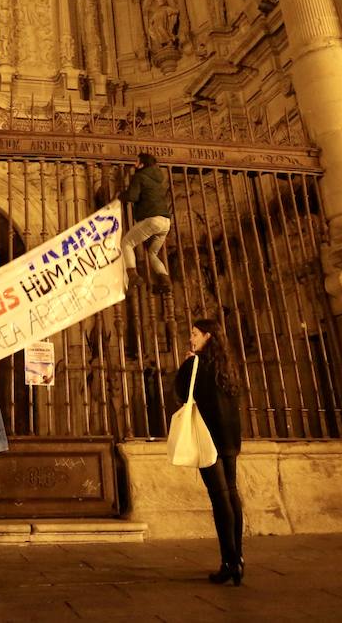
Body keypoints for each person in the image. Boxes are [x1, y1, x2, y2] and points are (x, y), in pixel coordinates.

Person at [176, 317, 245, 585]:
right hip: (230, 437)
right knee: (232, 493)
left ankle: (228, 563)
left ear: (207, 337)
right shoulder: (228, 366)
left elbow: (181, 394)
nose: (191, 338)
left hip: (208, 438)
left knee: (219, 497)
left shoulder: (195, 364)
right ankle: (238, 558)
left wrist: (186, 364)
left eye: (195, 334)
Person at [118, 152, 172, 292]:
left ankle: (133, 275)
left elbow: (132, 196)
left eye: (136, 162)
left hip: (152, 219)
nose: (134, 164)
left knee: (126, 243)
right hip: (165, 222)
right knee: (152, 253)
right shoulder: (157, 180)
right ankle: (165, 280)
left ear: (141, 164)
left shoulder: (139, 176)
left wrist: (120, 196)